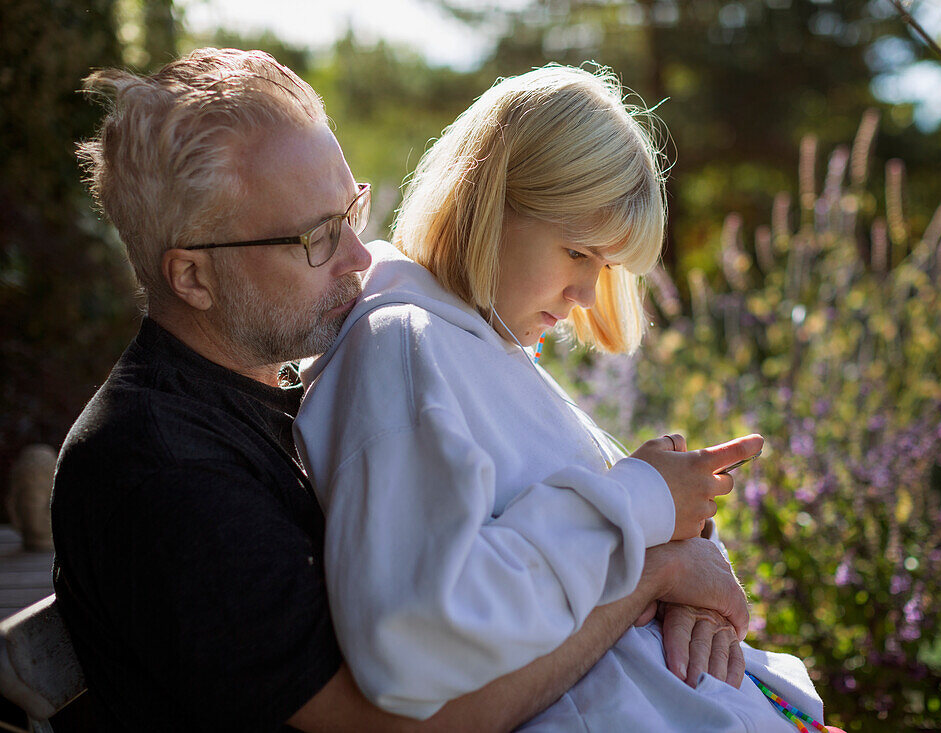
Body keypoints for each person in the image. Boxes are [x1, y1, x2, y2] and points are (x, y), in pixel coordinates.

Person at [50, 48, 751, 732]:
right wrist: (648, 577)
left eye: (349, 211)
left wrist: (669, 556)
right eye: (316, 238)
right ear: (193, 277)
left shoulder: (268, 391)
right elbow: (399, 719)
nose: (362, 256)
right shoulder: (161, 468)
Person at [295, 65, 828, 731]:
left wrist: (684, 564)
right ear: (487, 201)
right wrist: (641, 511)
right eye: (577, 251)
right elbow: (420, 630)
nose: (585, 297)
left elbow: (579, 562)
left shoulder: (476, 344)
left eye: (604, 267)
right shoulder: (403, 343)